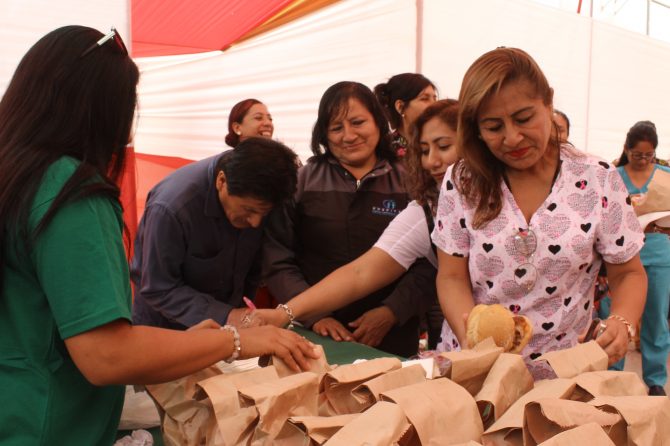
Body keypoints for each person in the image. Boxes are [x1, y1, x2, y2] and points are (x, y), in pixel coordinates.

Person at [0, 26, 317, 445]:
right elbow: (105, 354)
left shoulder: (16, 173)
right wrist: (235, 339)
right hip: (51, 426)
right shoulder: (72, 196)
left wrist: (193, 345)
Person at [432, 47, 647, 379]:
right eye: (493, 127)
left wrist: (622, 321)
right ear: (475, 129)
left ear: (548, 102)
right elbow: (451, 276)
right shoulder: (463, 181)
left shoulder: (598, 179)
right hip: (474, 370)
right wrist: (474, 343)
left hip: (564, 373)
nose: (512, 137)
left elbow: (628, 273)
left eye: (523, 118)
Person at [255, 100, 459, 349]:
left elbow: (429, 273)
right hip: (470, 344)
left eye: (444, 146)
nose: (431, 162)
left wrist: (393, 310)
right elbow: (362, 272)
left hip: (410, 332)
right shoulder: (427, 209)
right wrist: (292, 313)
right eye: (424, 150)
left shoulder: (405, 181)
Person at [131, 136, 299, 330]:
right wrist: (227, 315)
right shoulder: (172, 208)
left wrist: (240, 312)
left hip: (227, 324)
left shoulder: (262, 191)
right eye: (249, 211)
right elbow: (158, 288)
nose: (255, 223)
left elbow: (253, 267)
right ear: (221, 181)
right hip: (165, 328)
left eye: (264, 213)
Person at [601, 121, 670, 396]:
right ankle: (612, 375)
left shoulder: (665, 175)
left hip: (658, 254)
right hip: (618, 258)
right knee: (613, 316)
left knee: (656, 319)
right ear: (626, 150)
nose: (643, 160)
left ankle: (655, 380)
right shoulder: (612, 175)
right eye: (637, 155)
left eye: (648, 155)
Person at [374, 73, 437, 157]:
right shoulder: (385, 150)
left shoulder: (439, 139)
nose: (434, 104)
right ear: (400, 107)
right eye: (425, 99)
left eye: (435, 98)